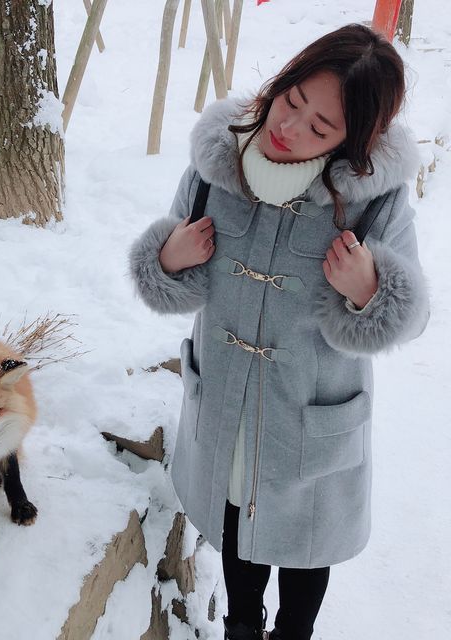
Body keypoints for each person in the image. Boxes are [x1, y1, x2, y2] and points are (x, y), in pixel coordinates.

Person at [129, 24, 429, 640]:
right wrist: (167, 260)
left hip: (307, 416)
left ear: (355, 141)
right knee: (237, 526)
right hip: (227, 399)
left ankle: (294, 632)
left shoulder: (376, 201)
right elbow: (170, 256)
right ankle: (242, 626)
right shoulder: (219, 162)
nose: (289, 128)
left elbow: (412, 314)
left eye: (320, 127)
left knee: (304, 542)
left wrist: (371, 290)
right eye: (291, 100)